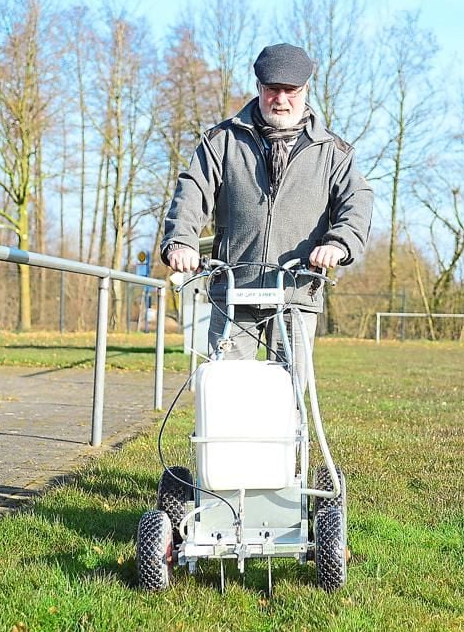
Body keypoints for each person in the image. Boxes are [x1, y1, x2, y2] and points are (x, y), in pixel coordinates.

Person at [160, 43, 373, 381]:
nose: (282, 99)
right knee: (224, 390)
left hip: (297, 289)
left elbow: (356, 201)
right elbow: (192, 193)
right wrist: (181, 242)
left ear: (305, 89)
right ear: (259, 87)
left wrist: (339, 243)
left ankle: (292, 435)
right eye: (273, 89)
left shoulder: (334, 152)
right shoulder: (222, 141)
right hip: (233, 289)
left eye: (291, 91)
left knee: (290, 397)